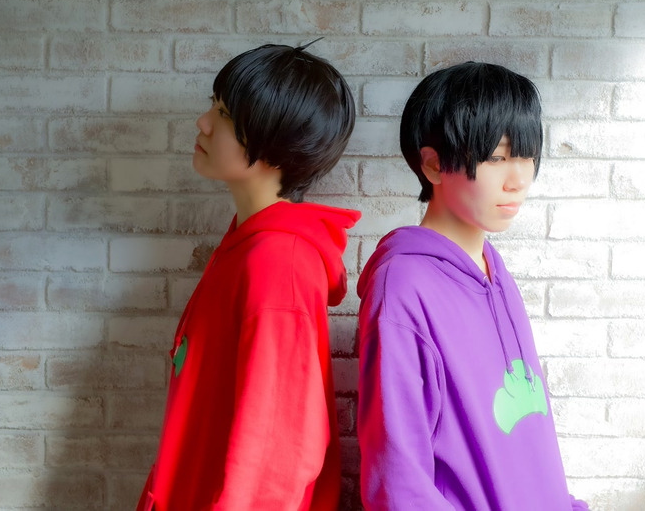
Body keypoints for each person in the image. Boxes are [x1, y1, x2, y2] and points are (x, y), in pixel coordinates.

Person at [136, 39, 361, 511]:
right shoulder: (249, 243)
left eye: (223, 114)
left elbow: (279, 452)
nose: (203, 122)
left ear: (275, 145)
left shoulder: (278, 262)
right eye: (213, 105)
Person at [356, 61, 588, 510]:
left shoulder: (494, 271)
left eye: (526, 155)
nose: (519, 179)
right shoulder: (403, 288)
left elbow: (530, 447)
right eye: (496, 158)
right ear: (433, 165)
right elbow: (399, 484)